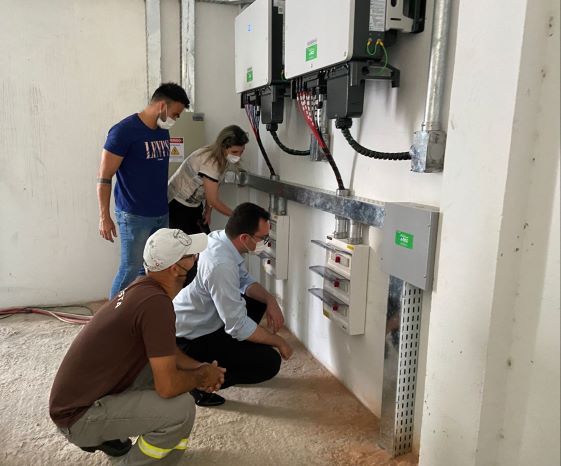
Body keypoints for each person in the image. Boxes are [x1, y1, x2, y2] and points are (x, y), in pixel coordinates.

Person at [49, 228, 225, 465]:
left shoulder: (142, 287)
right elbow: (167, 387)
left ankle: (112, 436)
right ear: (175, 268)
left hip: (78, 401)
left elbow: (167, 351)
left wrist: (199, 368)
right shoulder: (156, 305)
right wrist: (202, 377)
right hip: (78, 417)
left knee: (164, 369)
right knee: (181, 409)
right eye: (191, 256)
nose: (196, 259)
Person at [174, 202, 293, 407]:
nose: (265, 243)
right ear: (244, 238)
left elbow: (244, 281)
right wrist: (278, 341)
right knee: (269, 363)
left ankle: (225, 355)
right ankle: (198, 381)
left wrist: (270, 299)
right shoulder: (221, 264)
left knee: (257, 302)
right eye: (263, 238)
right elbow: (237, 325)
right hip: (190, 338)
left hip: (202, 319)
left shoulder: (221, 239)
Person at [97, 82, 190, 299]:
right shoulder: (123, 132)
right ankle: (113, 315)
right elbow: (104, 177)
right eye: (175, 114)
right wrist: (104, 216)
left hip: (160, 213)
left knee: (152, 270)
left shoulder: (162, 133)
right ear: (162, 106)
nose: (175, 119)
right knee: (130, 270)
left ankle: (139, 310)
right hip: (134, 215)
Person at [167, 125, 249, 235]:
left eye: (241, 152)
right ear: (223, 147)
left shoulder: (222, 158)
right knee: (189, 242)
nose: (238, 156)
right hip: (177, 204)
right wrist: (238, 217)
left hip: (193, 204)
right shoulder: (210, 162)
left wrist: (208, 211)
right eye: (234, 152)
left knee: (201, 238)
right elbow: (213, 200)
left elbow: (212, 188)